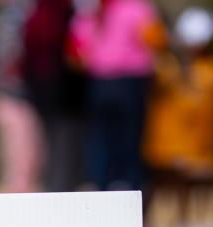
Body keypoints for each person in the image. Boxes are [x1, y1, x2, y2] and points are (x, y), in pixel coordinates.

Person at [143, 7, 213, 227]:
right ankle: (180, 221)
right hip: (175, 140)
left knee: (204, 182)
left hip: (203, 139)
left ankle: (204, 221)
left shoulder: (212, 71)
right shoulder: (168, 67)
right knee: (176, 183)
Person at [70, 0, 166, 192]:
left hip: (101, 83)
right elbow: (156, 41)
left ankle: (103, 185)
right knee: (128, 142)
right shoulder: (136, 8)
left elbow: (77, 51)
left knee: (102, 142)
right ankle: (124, 186)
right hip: (128, 82)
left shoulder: (92, 8)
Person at [22, 0, 87, 191]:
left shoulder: (34, 18)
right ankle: (61, 192)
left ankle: (55, 189)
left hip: (43, 94)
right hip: (66, 96)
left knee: (51, 147)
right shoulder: (67, 17)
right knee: (65, 148)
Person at [0, 0, 44, 193]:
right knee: (21, 165)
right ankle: (16, 214)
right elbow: (8, 61)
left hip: (19, 98)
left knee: (28, 162)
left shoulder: (16, 17)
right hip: (12, 99)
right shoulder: (12, 21)